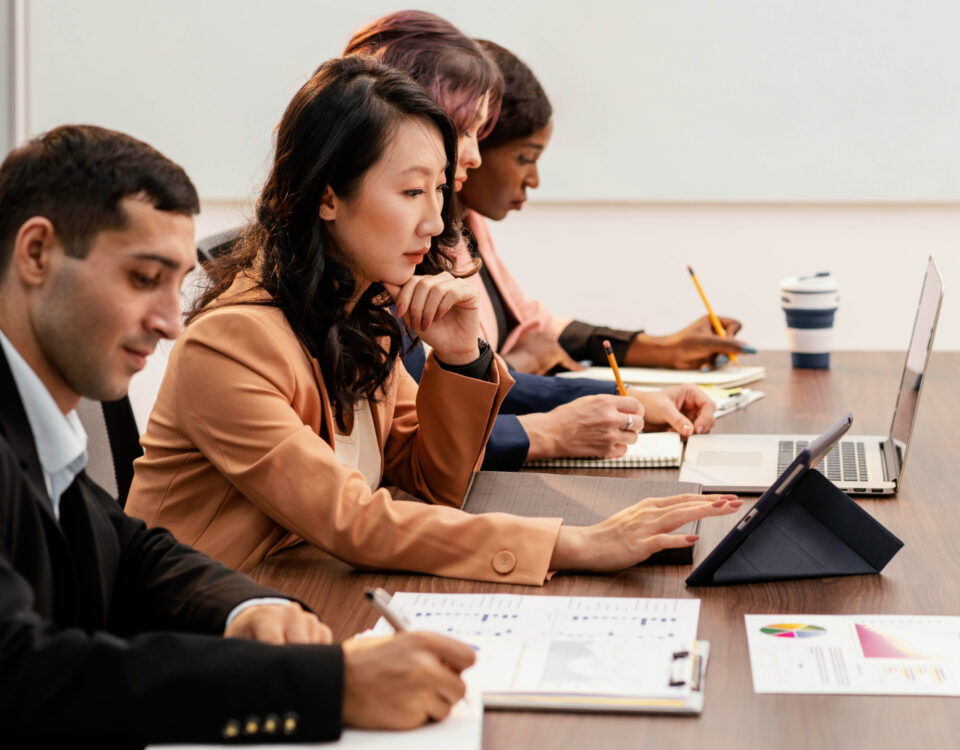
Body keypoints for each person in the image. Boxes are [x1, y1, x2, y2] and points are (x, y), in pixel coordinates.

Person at [125, 56, 741, 587]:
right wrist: (578, 544)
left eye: (441, 191)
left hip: (305, 590)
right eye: (412, 192)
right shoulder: (234, 341)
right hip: (208, 625)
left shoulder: (355, 313)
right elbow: (352, 518)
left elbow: (432, 480)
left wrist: (461, 358)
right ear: (328, 195)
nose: (434, 219)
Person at [0, 123, 478, 746]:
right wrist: (324, 685)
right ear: (36, 253)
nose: (172, 323)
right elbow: (23, 674)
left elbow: (133, 552)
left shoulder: (37, 420)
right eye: (144, 279)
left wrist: (250, 607)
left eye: (175, 286)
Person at [346, 11, 722, 471]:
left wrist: (625, 394)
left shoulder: (421, 245)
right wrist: (547, 433)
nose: (473, 158)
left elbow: (437, 415)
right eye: (463, 131)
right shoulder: (357, 280)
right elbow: (407, 447)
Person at [453, 39, 753, 375]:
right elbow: (447, 386)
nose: (533, 180)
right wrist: (522, 363)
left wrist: (665, 348)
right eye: (525, 158)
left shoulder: (468, 225)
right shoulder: (423, 246)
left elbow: (535, 326)